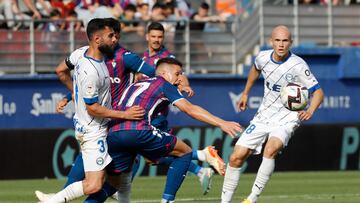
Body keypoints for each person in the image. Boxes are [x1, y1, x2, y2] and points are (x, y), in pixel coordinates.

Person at [36, 17, 156, 203]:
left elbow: (60, 70)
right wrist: (125, 114)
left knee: (119, 174)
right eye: (110, 36)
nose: (115, 39)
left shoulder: (80, 53)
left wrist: (75, 93)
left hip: (89, 126)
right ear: (97, 39)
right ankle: (53, 201)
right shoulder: (92, 71)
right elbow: (93, 109)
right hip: (95, 131)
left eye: (116, 36)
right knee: (94, 185)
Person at [106, 57, 243, 203]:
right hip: (137, 130)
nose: (180, 79)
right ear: (164, 73)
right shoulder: (163, 83)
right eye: (178, 74)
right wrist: (221, 123)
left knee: (109, 185)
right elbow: (190, 109)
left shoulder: (137, 83)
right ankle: (168, 200)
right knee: (185, 152)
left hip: (113, 133)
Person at [221, 25, 324, 203]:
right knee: (236, 157)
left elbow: (319, 92)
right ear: (271, 41)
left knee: (271, 149)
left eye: (285, 41)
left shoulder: (298, 65)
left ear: (290, 43)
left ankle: (252, 199)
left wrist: (311, 110)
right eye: (277, 40)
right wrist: (245, 93)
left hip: (288, 117)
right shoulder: (262, 57)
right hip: (264, 115)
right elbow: (255, 69)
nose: (281, 44)